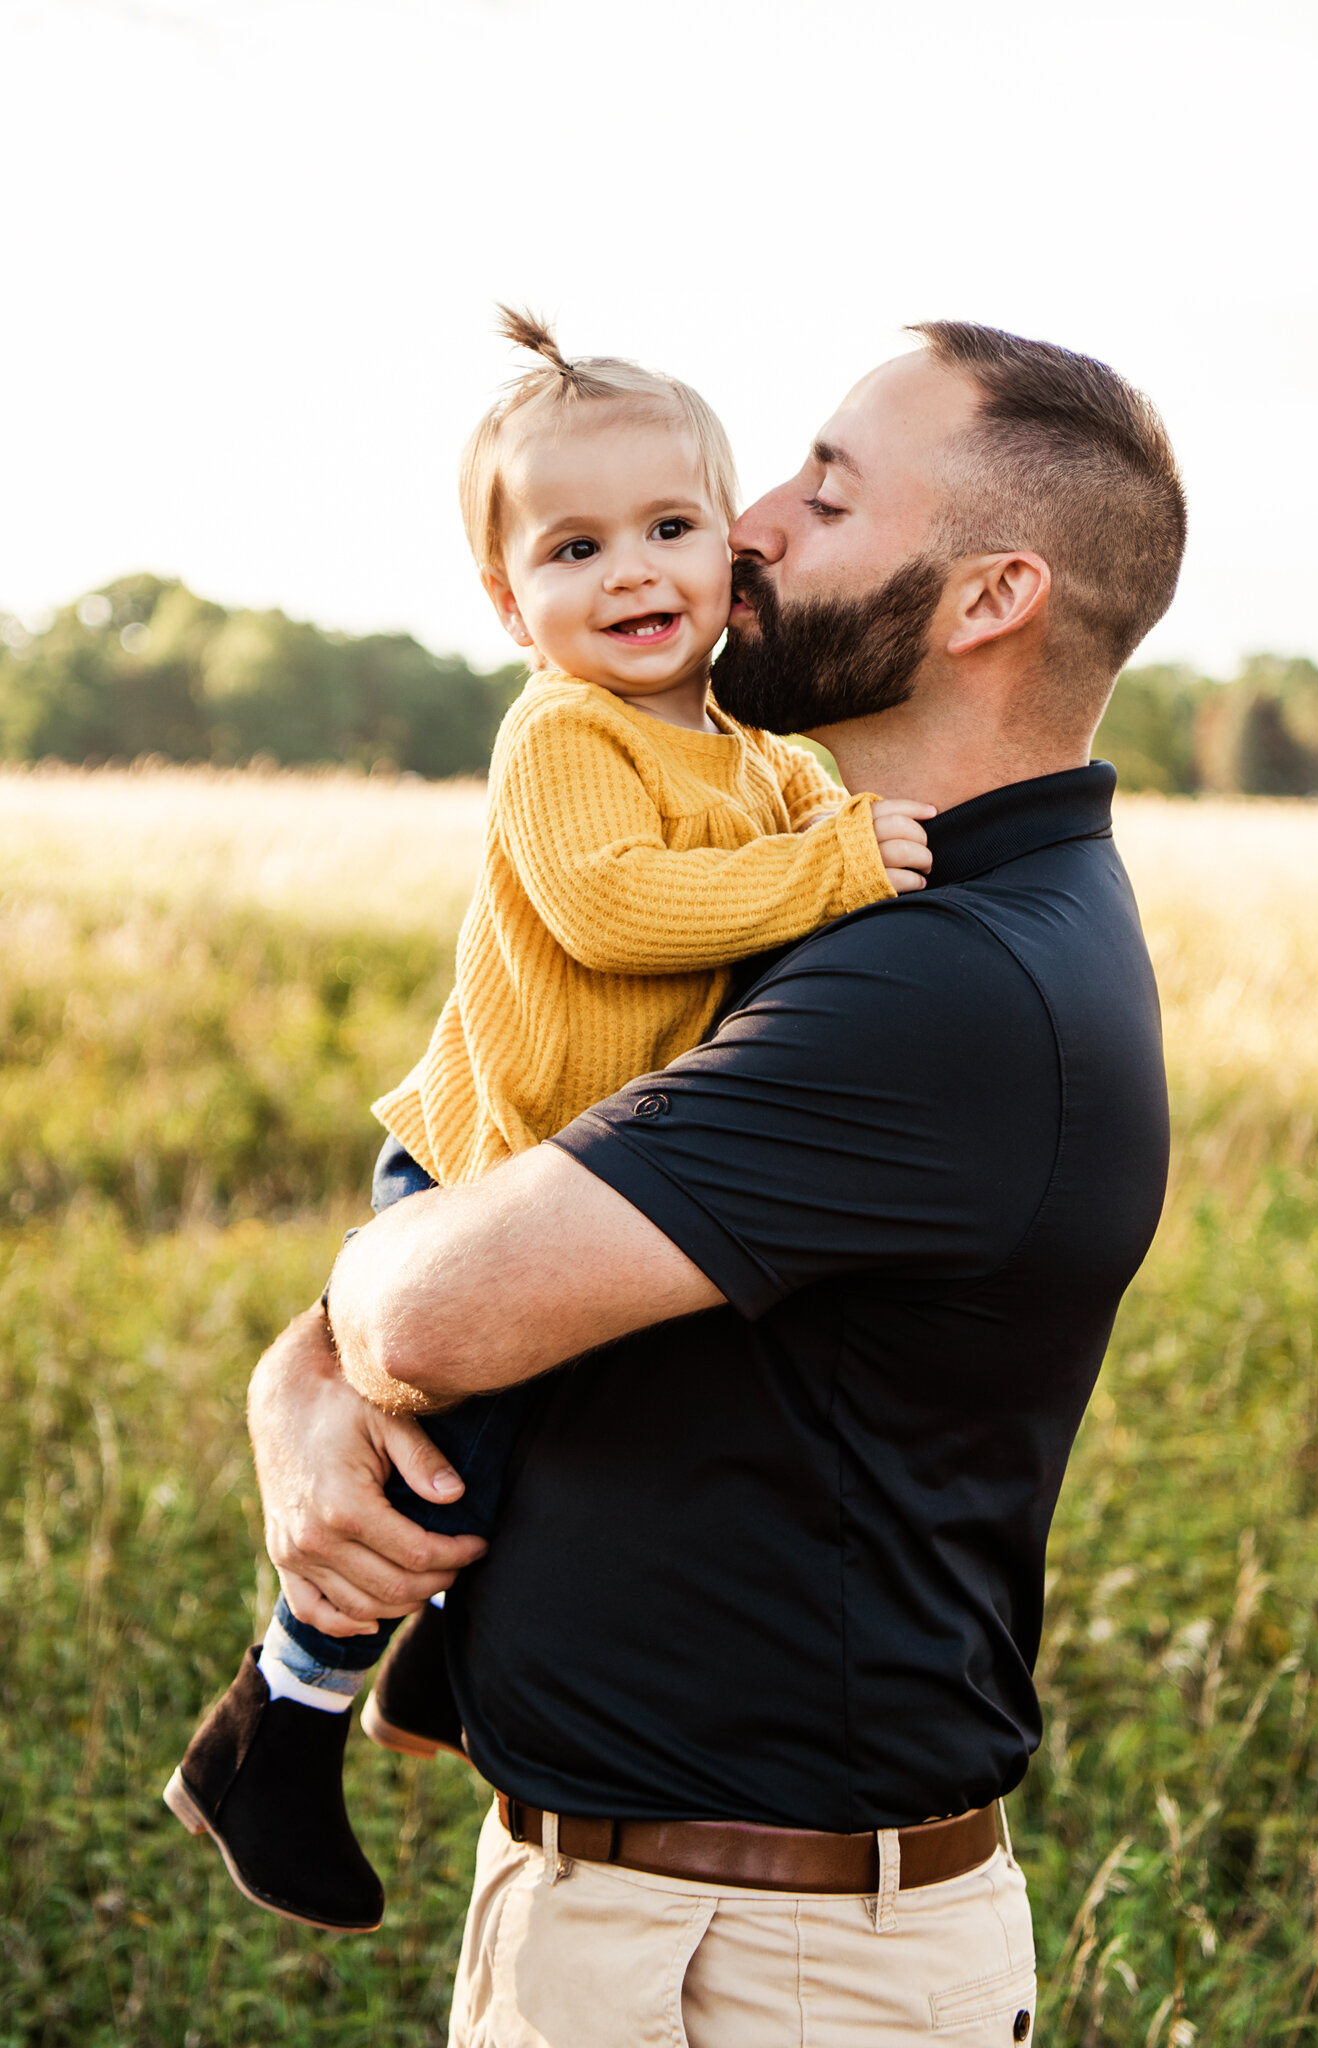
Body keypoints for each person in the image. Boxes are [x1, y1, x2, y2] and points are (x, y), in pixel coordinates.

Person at [246, 320, 1184, 2046]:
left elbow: (440, 1310)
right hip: (686, 1913)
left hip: (753, 1961)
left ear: (988, 600)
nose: (744, 525)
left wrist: (318, 1349)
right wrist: (317, 1362)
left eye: (824, 495)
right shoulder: (855, 904)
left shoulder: (938, 989)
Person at [163, 310, 932, 1933]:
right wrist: (843, 866)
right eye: (576, 548)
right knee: (427, 1470)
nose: (634, 572)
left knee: (592, 1415)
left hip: (581, 1184)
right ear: (512, 605)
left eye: (669, 530)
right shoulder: (564, 736)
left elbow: (814, 879)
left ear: (733, 552)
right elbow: (613, 911)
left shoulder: (764, 759)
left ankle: (441, 1665)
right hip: (475, 1170)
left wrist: (852, 852)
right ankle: (272, 1726)